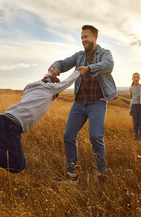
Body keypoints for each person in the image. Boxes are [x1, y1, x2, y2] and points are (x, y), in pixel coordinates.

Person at [48, 25, 117, 181]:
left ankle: (102, 174)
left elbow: (108, 65)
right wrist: (55, 67)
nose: (83, 40)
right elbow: (63, 63)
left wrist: (90, 68)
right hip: (79, 103)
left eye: (86, 37)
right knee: (69, 135)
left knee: (95, 136)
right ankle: (72, 175)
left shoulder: (105, 53)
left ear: (95, 38)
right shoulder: (79, 55)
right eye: (81, 38)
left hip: (97, 103)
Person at [129, 72, 141, 141]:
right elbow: (131, 99)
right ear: (132, 78)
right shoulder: (131, 88)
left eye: (137, 77)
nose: (136, 79)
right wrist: (130, 109)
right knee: (135, 123)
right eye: (134, 77)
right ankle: (135, 139)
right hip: (134, 107)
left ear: (139, 79)